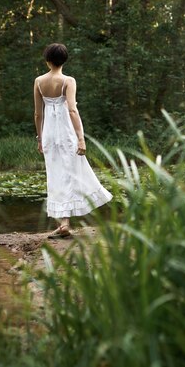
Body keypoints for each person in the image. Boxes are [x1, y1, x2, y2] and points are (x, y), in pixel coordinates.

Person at [33, 43, 112, 238]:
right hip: (66, 132)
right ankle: (68, 221)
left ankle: (64, 222)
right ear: (64, 60)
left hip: (50, 133)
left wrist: (40, 138)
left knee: (55, 175)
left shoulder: (39, 81)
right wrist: (81, 138)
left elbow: (37, 114)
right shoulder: (68, 80)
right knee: (71, 171)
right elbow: (72, 110)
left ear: (47, 60)